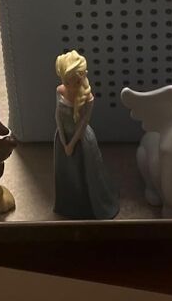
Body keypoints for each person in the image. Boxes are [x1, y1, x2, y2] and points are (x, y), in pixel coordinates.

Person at [53, 50, 119, 219]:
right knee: (66, 173)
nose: (70, 86)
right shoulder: (60, 91)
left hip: (81, 140)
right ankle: (69, 205)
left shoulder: (88, 98)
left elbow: (83, 124)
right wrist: (63, 140)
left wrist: (71, 144)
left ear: (83, 76)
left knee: (86, 173)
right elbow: (57, 116)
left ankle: (91, 205)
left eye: (74, 81)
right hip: (63, 138)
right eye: (66, 82)